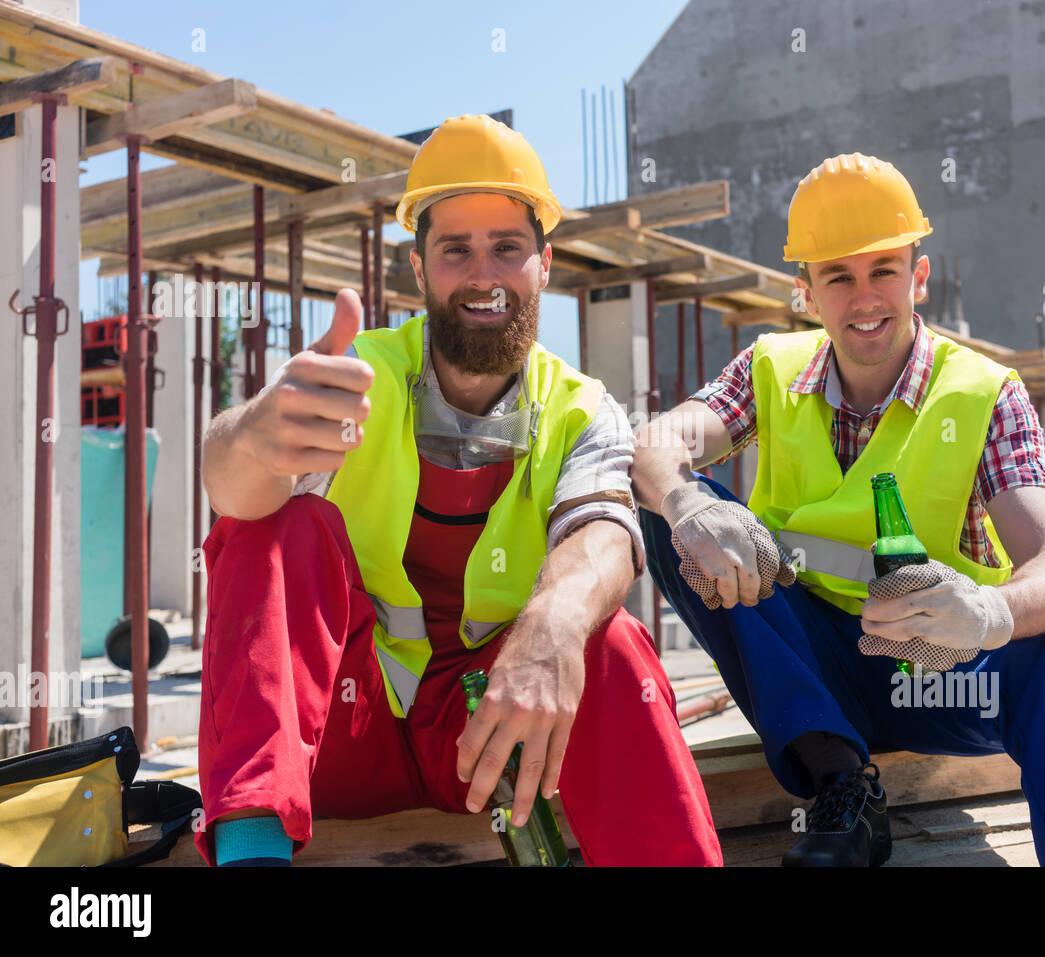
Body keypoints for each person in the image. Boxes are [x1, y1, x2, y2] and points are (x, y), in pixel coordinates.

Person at [196, 114, 722, 867]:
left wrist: (552, 623)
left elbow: (605, 534)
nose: (483, 275)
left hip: (494, 739)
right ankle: (250, 851)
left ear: (544, 264)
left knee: (609, 639)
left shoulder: (581, 409)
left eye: (506, 248)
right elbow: (231, 494)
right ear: (419, 269)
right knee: (279, 525)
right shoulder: (360, 379)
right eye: (455, 250)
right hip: (340, 737)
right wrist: (249, 438)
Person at [632, 153, 1045, 867]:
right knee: (667, 514)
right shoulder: (770, 370)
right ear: (805, 292)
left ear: (919, 276)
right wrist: (686, 500)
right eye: (838, 276)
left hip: (939, 668)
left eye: (883, 269)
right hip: (816, 677)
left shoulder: (985, 393)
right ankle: (843, 789)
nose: (864, 297)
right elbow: (655, 444)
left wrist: (986, 612)